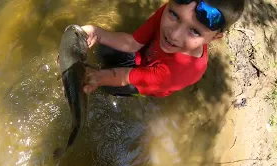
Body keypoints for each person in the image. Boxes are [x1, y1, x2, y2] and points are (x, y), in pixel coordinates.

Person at [82, 0, 245, 97]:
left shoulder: (179, 73)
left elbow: (126, 76)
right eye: (174, 15)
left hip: (154, 83)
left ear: (214, 38)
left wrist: (99, 78)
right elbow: (132, 43)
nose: (174, 34)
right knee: (104, 50)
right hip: (144, 56)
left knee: (110, 87)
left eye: (194, 31)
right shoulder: (172, 10)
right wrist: (97, 34)